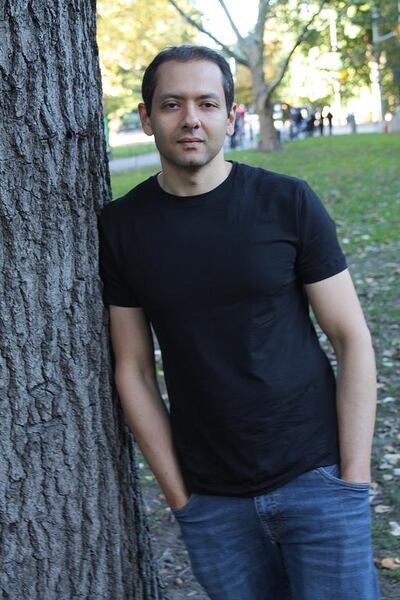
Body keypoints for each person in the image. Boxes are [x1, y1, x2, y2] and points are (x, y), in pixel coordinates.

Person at [99, 45, 380, 599]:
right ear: (147, 117)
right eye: (172, 104)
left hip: (319, 478)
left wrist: (353, 478)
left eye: (207, 104)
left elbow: (351, 338)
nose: (190, 119)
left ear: (230, 117)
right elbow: (133, 369)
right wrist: (181, 498)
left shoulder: (287, 202)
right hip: (212, 500)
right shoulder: (123, 227)